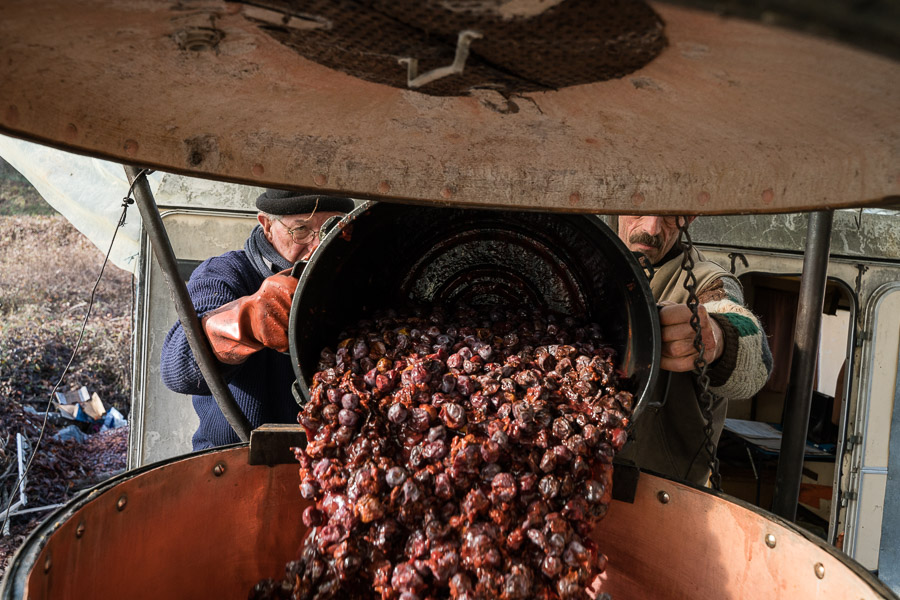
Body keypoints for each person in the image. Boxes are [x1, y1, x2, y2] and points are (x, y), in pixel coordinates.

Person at [160, 189, 356, 450]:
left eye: (331, 229)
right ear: (267, 226)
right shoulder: (225, 273)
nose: (317, 245)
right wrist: (248, 321)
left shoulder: (355, 279)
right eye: (301, 230)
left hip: (332, 460)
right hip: (236, 461)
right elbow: (177, 369)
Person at [614, 215, 773, 485]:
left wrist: (716, 337)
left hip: (662, 493)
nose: (652, 228)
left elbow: (757, 356)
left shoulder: (707, 281)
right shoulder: (583, 252)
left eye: (669, 215)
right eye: (640, 208)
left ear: (690, 216)